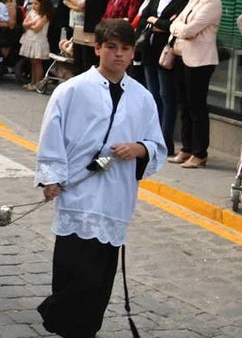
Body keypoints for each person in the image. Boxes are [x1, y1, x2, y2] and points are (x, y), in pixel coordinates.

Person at [34, 19, 166, 338]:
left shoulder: (143, 97)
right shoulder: (72, 90)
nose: (118, 55)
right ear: (97, 49)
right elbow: (51, 135)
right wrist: (50, 177)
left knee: (98, 277)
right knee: (71, 267)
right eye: (111, 47)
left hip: (114, 196)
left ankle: (85, 328)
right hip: (76, 193)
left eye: (125, 49)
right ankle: (63, 322)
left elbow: (157, 144)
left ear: (133, 52)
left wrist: (140, 148)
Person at [167, 0, 224, 170]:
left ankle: (200, 153)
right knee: (184, 103)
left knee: (197, 106)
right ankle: (187, 147)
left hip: (200, 60)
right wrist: (178, 27)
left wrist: (179, 28)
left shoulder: (213, 3)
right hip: (182, 56)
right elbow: (175, 24)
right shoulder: (193, 0)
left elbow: (189, 29)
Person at [138, 0, 189, 156]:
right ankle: (152, 135)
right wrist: (154, 22)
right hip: (149, 49)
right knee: (153, 95)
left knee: (167, 96)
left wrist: (156, 22)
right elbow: (144, 18)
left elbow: (173, 25)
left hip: (166, 51)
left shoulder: (184, 0)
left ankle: (165, 140)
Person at [21, 0, 55, 91]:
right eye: (33, 3)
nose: (33, 6)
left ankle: (38, 83)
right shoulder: (31, 13)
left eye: (36, 4)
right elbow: (24, 24)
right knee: (32, 62)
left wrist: (29, 25)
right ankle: (32, 82)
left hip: (38, 40)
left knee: (37, 62)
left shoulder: (44, 16)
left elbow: (37, 29)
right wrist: (31, 23)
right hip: (30, 39)